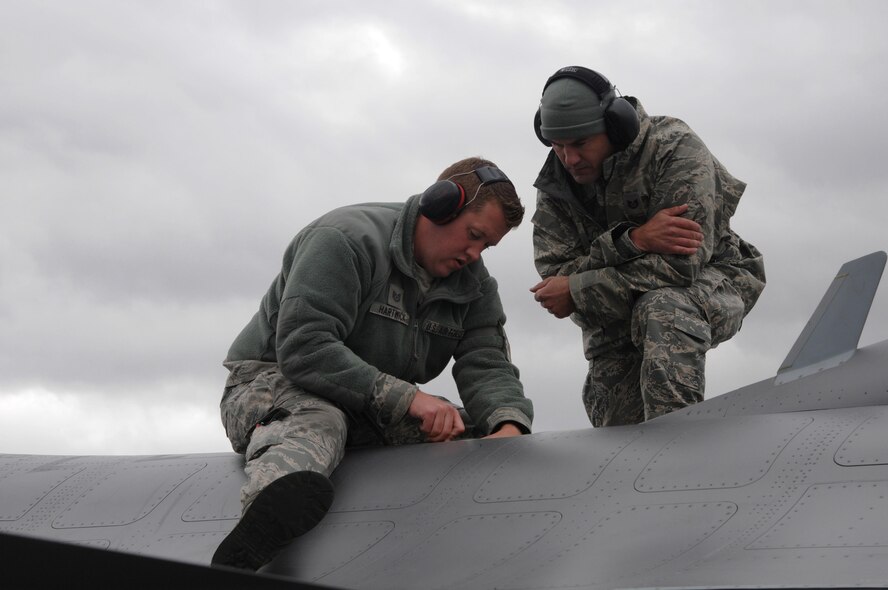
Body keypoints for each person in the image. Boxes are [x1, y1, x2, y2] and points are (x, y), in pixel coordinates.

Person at [213, 156, 533, 571]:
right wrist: (408, 397)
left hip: (370, 404)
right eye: (472, 235)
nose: (474, 254)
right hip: (275, 384)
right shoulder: (344, 240)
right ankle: (247, 549)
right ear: (439, 207)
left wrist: (506, 426)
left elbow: (485, 359)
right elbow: (304, 347)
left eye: (486, 245)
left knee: (467, 435)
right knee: (319, 422)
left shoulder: (473, 284)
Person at [529, 66, 765, 427]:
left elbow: (680, 266)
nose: (569, 159)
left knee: (664, 307)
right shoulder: (558, 187)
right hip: (613, 321)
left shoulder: (673, 148)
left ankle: (677, 453)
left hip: (714, 278)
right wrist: (634, 240)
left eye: (580, 143)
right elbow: (555, 283)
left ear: (615, 126)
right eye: (558, 145)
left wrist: (580, 286)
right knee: (616, 433)